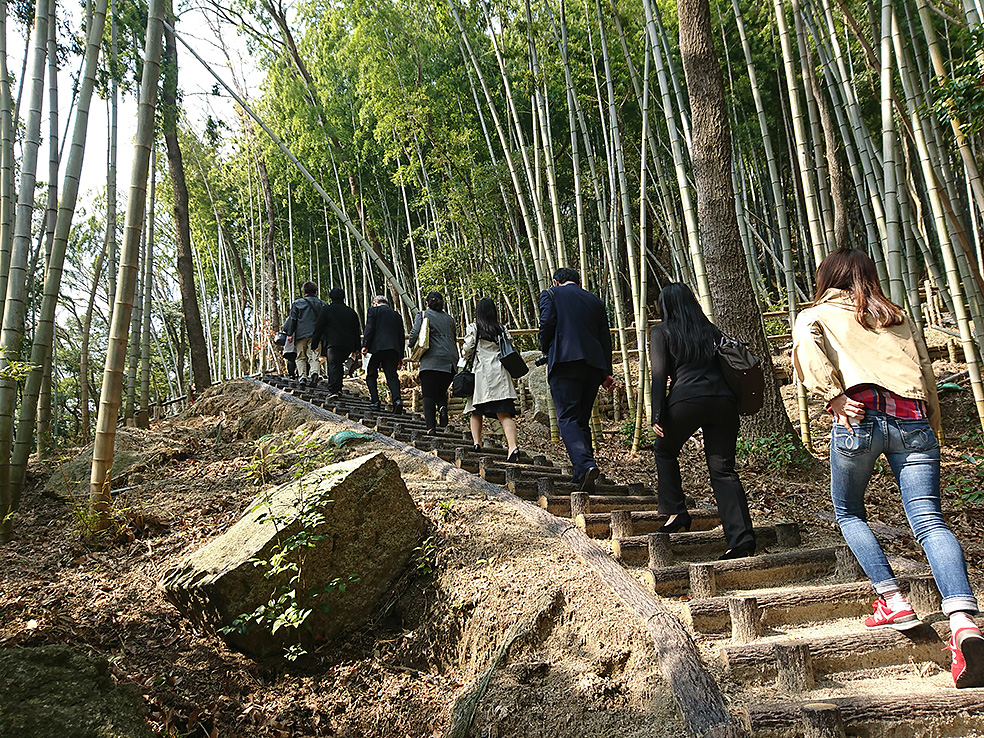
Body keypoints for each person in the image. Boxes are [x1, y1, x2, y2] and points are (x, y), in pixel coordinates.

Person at [792, 247, 982, 688]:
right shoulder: (895, 315)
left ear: (828, 278)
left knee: (848, 512)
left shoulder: (816, 314)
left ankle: (892, 599)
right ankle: (963, 621)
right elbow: (927, 374)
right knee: (930, 522)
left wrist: (832, 395)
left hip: (858, 420)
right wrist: (931, 424)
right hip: (913, 422)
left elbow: (805, 348)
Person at [649, 283, 755, 559]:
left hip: (686, 401)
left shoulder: (662, 331)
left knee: (664, 450)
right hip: (723, 401)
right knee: (723, 469)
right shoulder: (711, 330)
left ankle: (677, 512)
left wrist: (656, 415)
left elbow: (659, 376)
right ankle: (741, 537)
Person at [538, 267, 614, 490]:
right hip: (592, 366)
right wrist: (606, 373)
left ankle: (586, 463)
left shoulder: (550, 294)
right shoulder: (595, 301)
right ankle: (582, 474)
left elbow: (546, 324)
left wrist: (546, 348)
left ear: (555, 281)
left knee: (567, 418)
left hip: (564, 361)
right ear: (578, 282)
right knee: (581, 420)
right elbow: (604, 338)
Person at [460, 298, 520, 461]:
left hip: (481, 376)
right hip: (500, 374)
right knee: (504, 414)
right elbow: (510, 346)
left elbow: (467, 350)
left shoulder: (474, 328)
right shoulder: (501, 329)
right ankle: (513, 447)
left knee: (475, 410)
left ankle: (477, 443)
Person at [408, 292, 458, 433]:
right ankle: (442, 407)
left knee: (428, 394)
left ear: (427, 303)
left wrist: (411, 345)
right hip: (450, 360)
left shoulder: (423, 314)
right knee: (440, 390)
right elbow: (453, 338)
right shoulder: (450, 319)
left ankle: (430, 427)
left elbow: (414, 333)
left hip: (431, 360)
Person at [312, 287, 362, 397]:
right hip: (347, 344)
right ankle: (338, 387)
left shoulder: (327, 310)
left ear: (331, 297)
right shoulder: (351, 312)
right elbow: (356, 330)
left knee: (334, 365)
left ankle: (334, 389)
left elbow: (319, 327)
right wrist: (357, 347)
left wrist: (314, 343)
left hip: (333, 343)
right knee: (339, 364)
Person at [362, 295, 406, 412]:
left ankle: (375, 401)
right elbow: (401, 336)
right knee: (391, 376)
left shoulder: (373, 311)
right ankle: (397, 400)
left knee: (371, 374)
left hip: (375, 348)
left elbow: (369, 328)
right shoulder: (396, 315)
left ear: (375, 303)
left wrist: (365, 345)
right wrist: (401, 355)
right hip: (392, 349)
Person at [282, 281, 326, 384]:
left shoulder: (297, 303)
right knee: (314, 356)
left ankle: (302, 377)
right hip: (316, 335)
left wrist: (289, 334)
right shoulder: (322, 304)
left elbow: (292, 319)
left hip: (301, 334)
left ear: (304, 292)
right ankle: (315, 372)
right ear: (316, 292)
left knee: (300, 357)